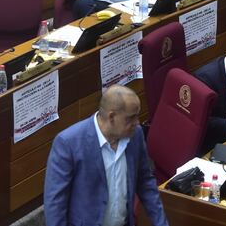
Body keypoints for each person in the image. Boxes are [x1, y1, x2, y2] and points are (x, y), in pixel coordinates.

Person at [44, 84, 168, 226]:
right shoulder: (68, 143)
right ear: (111, 117)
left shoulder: (136, 135)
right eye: (131, 118)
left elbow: (145, 182)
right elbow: (55, 204)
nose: (137, 122)